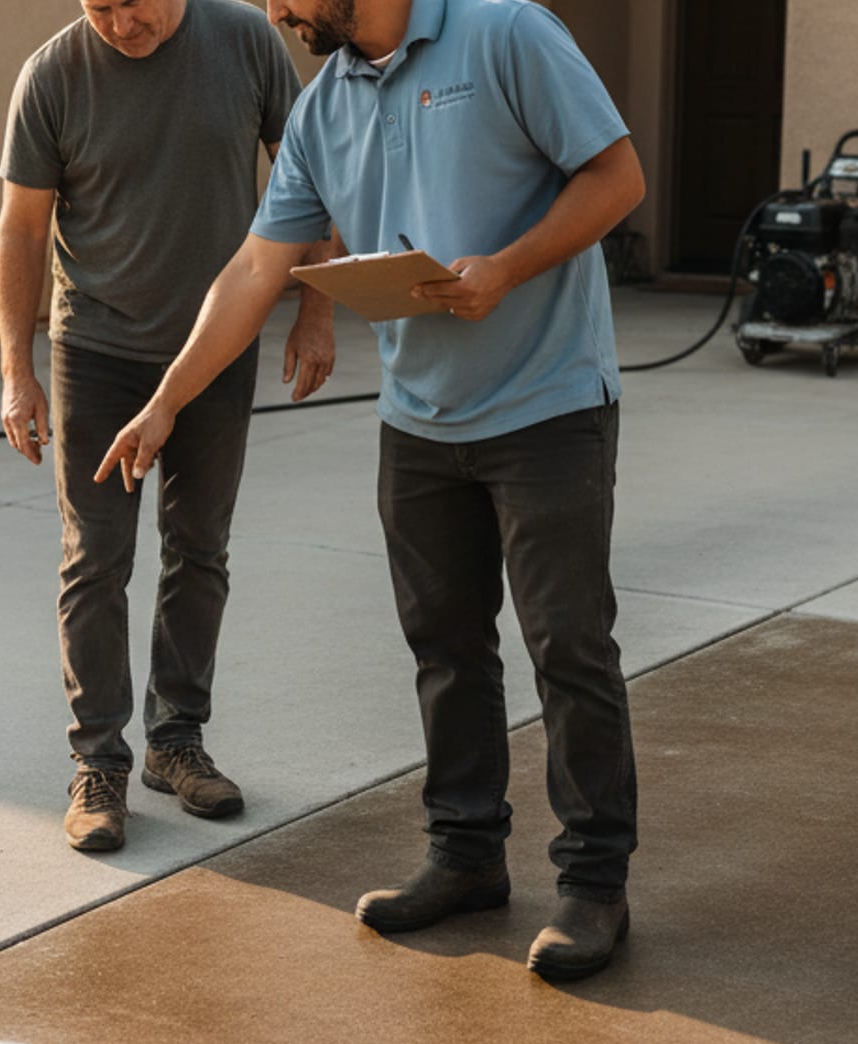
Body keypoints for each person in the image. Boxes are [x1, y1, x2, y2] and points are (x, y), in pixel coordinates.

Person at [93, 0, 647, 980]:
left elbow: (618, 176)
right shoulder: (323, 106)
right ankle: (467, 856)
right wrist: (167, 400)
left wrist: (506, 270)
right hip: (420, 422)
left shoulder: (507, 32)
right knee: (445, 646)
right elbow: (259, 265)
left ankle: (594, 886)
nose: (275, 11)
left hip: (548, 404)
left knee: (567, 644)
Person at [0, 0, 338, 853]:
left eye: (132, 1)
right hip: (98, 347)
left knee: (199, 547)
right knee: (96, 555)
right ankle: (99, 761)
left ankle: (175, 741)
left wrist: (317, 311)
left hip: (215, 348)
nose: (118, 21)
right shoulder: (51, 76)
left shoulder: (250, 43)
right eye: (97, 4)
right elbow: (22, 227)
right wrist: (15, 372)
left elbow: (311, 183)